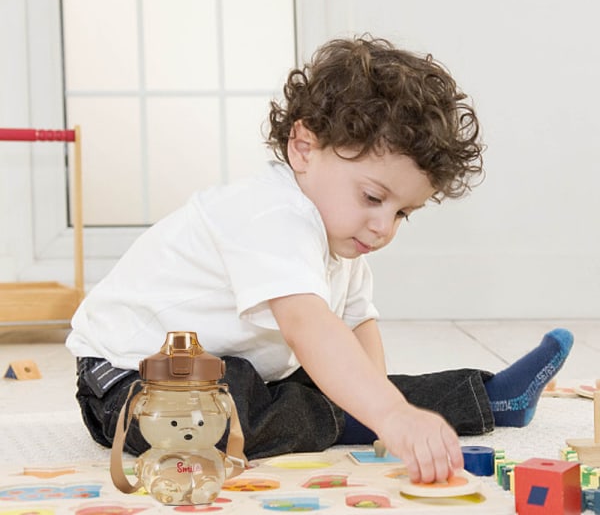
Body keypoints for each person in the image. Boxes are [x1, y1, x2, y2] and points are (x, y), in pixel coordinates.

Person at [66, 35, 573, 484]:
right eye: (374, 198)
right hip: (130, 385)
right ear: (304, 147)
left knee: (343, 383)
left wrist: (382, 410)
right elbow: (308, 327)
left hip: (232, 374)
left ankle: (491, 398)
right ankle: (374, 414)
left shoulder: (342, 237)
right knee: (253, 404)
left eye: (404, 213)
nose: (384, 226)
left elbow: (357, 328)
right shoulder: (273, 213)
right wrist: (389, 414)